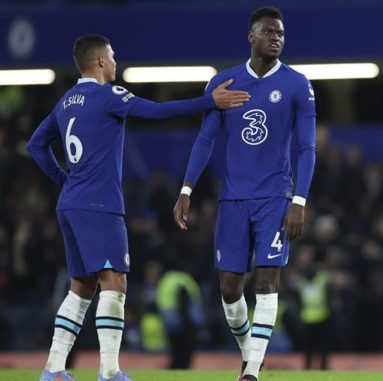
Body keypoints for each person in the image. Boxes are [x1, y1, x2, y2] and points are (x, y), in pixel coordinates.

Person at [27, 34, 250, 381]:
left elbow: (36, 145)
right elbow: (157, 111)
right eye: (113, 56)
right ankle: (110, 372)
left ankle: (53, 369)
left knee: (81, 287)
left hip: (70, 204)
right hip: (100, 205)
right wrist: (209, 102)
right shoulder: (108, 96)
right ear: (100, 61)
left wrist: (63, 179)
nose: (117, 62)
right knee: (114, 282)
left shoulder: (66, 101)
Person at [172, 6, 316, 381]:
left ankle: (250, 370)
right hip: (233, 199)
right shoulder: (225, 83)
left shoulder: (298, 83)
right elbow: (205, 140)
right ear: (250, 37)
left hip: (275, 197)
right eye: (268, 31)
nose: (276, 37)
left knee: (268, 282)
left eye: (281, 33)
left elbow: (306, 148)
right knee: (229, 289)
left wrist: (299, 200)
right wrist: (186, 189)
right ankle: (251, 352)